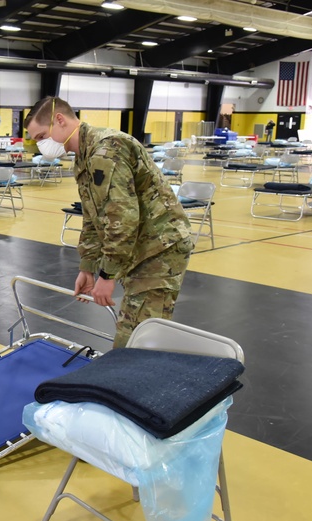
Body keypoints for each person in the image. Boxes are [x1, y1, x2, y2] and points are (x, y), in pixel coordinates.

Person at [24, 96, 194, 348]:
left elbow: (122, 218)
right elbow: (93, 216)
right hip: (139, 248)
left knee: (137, 338)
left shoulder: (106, 150)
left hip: (160, 249)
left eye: (41, 137)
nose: (41, 146)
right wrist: (88, 266)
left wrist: (106, 275)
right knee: (136, 331)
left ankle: (140, 384)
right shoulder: (84, 155)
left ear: (59, 120)